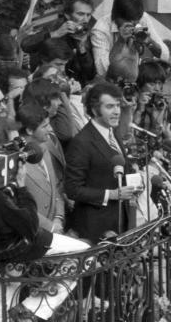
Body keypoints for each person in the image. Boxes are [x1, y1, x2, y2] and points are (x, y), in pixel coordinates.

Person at [0, 138, 89, 322]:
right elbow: (30, 225)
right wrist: (21, 187)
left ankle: (26, 310)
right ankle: (31, 308)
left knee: (3, 302)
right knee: (84, 253)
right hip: (15, 248)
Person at [65, 82, 138, 243]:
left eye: (118, 106)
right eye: (110, 107)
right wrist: (110, 194)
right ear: (94, 109)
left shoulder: (113, 132)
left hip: (120, 222)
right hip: (94, 228)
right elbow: (72, 189)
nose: (117, 111)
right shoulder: (81, 142)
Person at [21, 0, 97, 85]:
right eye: (80, 14)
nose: (85, 19)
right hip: (45, 83)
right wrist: (55, 34)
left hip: (74, 86)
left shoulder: (88, 33)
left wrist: (82, 48)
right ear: (67, 15)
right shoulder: (54, 27)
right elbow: (25, 45)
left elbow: (90, 75)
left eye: (88, 15)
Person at [17, 103, 67, 234]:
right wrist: (50, 226)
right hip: (34, 235)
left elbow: (56, 189)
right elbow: (20, 207)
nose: (50, 129)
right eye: (45, 126)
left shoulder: (44, 149)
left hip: (54, 229)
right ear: (29, 130)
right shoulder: (16, 162)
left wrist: (58, 218)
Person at [91, 0, 167, 76]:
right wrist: (120, 42)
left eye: (135, 20)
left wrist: (149, 42)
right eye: (127, 20)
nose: (132, 24)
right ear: (115, 16)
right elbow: (102, 70)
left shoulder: (141, 17)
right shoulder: (101, 29)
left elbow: (165, 55)